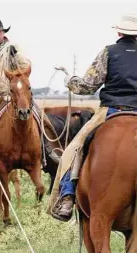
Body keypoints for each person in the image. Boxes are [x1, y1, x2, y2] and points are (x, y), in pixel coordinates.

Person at [49, 12, 137, 222]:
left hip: (111, 111)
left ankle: (67, 197)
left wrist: (70, 80)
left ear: (118, 31)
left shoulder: (108, 53)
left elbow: (87, 85)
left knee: (74, 149)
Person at [0, 19, 62, 164]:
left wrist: (16, 55)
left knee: (41, 117)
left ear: (3, 33)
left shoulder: (13, 47)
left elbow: (26, 66)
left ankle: (51, 151)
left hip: (15, 93)